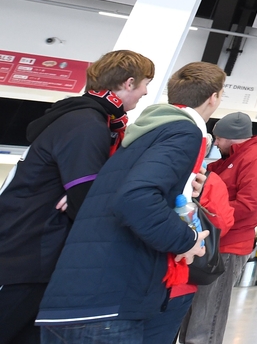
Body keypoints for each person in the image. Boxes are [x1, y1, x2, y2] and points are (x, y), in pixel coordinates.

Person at [35, 62, 226, 340]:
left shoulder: (140, 135)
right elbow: (137, 199)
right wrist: (188, 239)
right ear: (214, 97)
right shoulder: (184, 132)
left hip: (75, 297)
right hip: (110, 303)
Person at [0, 50, 154, 344]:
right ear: (129, 82)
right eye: (145, 83)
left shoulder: (83, 119)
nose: (146, 91)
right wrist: (89, 196)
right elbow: (86, 202)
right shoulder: (87, 125)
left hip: (32, 252)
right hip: (26, 254)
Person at [180, 112, 257, 344]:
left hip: (228, 247)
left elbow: (247, 206)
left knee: (207, 315)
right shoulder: (230, 160)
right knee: (192, 310)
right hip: (211, 242)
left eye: (218, 138)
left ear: (231, 138)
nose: (216, 143)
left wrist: (204, 213)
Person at [143, 170, 234, 344]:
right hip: (176, 280)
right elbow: (223, 223)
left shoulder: (142, 166)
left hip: (154, 278)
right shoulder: (207, 179)